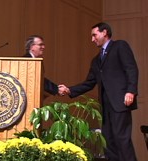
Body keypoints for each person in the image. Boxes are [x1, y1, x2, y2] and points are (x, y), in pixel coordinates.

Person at [59, 22, 138, 161]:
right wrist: (70, 90)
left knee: (122, 140)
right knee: (108, 141)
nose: (92, 39)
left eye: (94, 35)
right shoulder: (96, 60)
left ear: (104, 32)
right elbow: (89, 83)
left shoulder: (120, 46)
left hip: (121, 102)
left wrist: (131, 91)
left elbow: (131, 69)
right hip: (106, 106)